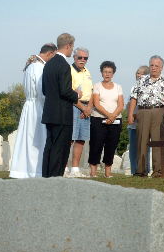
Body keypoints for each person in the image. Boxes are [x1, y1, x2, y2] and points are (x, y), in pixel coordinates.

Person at [41, 33, 90, 178]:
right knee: (60, 148)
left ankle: (46, 177)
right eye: (72, 48)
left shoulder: (48, 63)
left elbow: (45, 89)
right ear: (68, 46)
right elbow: (64, 91)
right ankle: (56, 178)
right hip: (62, 114)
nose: (72, 51)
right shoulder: (64, 65)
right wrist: (77, 95)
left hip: (49, 112)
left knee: (49, 146)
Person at [9, 43, 57, 178]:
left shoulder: (30, 67)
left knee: (27, 140)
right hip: (38, 107)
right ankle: (36, 171)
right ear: (49, 54)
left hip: (28, 105)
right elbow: (42, 92)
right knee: (38, 140)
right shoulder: (41, 68)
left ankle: (22, 170)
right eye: (53, 56)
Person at [128, 56, 164, 178]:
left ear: (161, 68)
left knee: (157, 142)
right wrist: (131, 114)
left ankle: (157, 172)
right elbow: (134, 98)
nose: (153, 68)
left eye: (156, 66)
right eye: (151, 65)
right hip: (143, 111)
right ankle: (141, 171)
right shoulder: (141, 80)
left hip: (159, 111)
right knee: (142, 141)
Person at [88, 61, 124, 178]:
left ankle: (107, 173)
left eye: (109, 72)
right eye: (105, 72)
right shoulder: (97, 86)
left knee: (111, 145)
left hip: (115, 120)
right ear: (101, 73)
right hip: (98, 119)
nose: (107, 74)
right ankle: (93, 172)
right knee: (96, 144)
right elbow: (96, 104)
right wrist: (108, 115)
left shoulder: (118, 87)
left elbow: (120, 105)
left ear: (113, 73)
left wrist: (113, 116)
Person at [66, 47, 93, 177]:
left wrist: (89, 108)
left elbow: (91, 91)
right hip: (74, 106)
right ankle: (64, 168)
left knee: (81, 139)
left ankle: (75, 169)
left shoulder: (87, 71)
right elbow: (70, 93)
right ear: (74, 57)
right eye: (80, 57)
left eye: (85, 58)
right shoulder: (69, 70)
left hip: (86, 107)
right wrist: (83, 108)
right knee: (70, 138)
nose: (82, 60)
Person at [126, 65, 150, 175]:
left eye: (142, 74)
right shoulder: (133, 88)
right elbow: (129, 104)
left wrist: (135, 115)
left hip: (143, 122)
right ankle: (134, 170)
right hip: (132, 125)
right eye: (138, 73)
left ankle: (146, 170)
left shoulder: (148, 89)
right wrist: (130, 115)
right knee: (133, 149)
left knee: (145, 148)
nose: (139, 75)